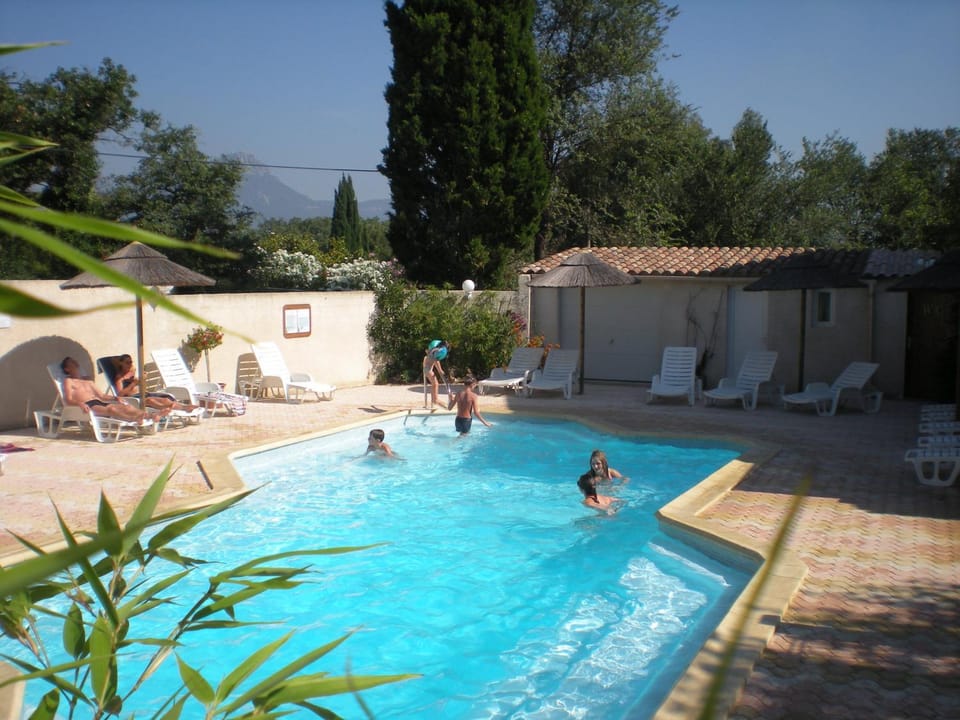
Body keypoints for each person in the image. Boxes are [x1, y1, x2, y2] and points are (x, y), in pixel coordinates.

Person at [60, 356, 158, 425]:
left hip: (98, 401)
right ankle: (134, 419)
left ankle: (150, 415)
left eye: (74, 360)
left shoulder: (88, 381)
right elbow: (68, 399)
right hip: (87, 405)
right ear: (67, 369)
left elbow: (102, 396)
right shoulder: (68, 381)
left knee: (126, 407)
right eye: (71, 362)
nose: (75, 362)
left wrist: (115, 397)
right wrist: (80, 404)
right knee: (112, 410)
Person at [110, 354, 200, 413]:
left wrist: (142, 379)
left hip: (143, 394)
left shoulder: (133, 371)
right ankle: (165, 410)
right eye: (127, 362)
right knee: (150, 401)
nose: (130, 364)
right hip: (132, 399)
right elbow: (120, 394)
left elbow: (141, 386)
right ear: (121, 364)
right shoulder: (119, 378)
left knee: (165, 399)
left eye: (131, 362)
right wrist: (134, 383)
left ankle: (184, 408)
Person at [422, 339, 449, 409]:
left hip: (427, 369)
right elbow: (436, 361)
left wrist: (440, 370)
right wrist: (440, 370)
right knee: (435, 384)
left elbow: (434, 361)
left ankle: (434, 400)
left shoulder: (433, 350)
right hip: (428, 370)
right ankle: (435, 399)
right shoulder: (436, 351)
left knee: (434, 384)